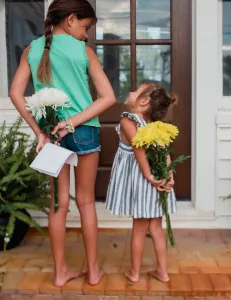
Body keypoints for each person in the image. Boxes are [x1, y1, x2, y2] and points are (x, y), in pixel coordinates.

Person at [9, 0, 116, 287]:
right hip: (83, 131)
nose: (86, 35)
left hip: (51, 134)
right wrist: (72, 122)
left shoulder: (33, 50)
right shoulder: (84, 52)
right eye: (85, 27)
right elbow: (108, 98)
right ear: (70, 19)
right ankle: (93, 272)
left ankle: (59, 274)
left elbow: (15, 94)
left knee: (58, 204)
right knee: (86, 202)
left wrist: (40, 132)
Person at [106, 83, 177, 283]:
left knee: (139, 227)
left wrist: (148, 176)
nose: (130, 92)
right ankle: (162, 272)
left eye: (135, 90)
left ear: (144, 101)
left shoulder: (128, 120)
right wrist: (169, 175)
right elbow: (164, 152)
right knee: (155, 227)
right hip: (157, 177)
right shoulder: (155, 126)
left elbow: (139, 149)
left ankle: (135, 273)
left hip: (144, 178)